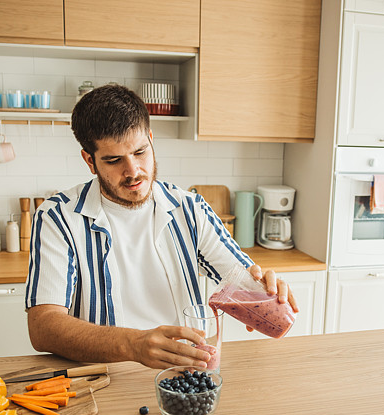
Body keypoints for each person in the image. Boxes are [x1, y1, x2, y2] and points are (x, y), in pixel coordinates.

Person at [25, 84, 298, 370]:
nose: (133, 172)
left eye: (140, 152)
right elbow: (43, 327)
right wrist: (133, 345)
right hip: (105, 378)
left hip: (187, 372)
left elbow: (238, 276)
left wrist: (262, 289)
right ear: (89, 161)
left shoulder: (189, 208)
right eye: (114, 160)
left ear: (151, 140)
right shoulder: (57, 217)